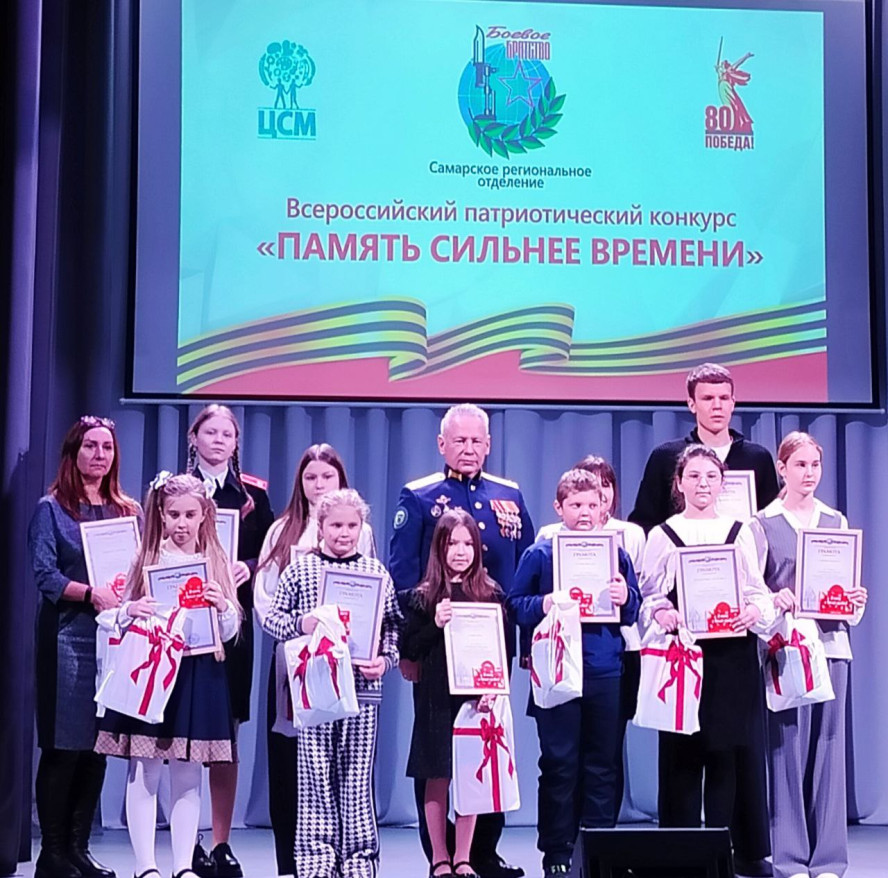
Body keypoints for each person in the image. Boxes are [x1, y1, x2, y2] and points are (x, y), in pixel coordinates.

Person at [629, 363, 778, 877]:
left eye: (711, 477)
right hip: (682, 657)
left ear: (724, 483)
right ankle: (679, 859)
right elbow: (647, 594)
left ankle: (721, 857)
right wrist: (661, 609)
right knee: (681, 757)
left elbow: (757, 592)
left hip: (731, 655)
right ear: (678, 482)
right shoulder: (662, 535)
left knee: (726, 756)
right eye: (693, 476)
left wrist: (755, 611)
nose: (702, 484)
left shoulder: (742, 531)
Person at [390, 403, 533, 878]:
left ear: (488, 445)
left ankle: (482, 851)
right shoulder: (420, 496)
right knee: (435, 753)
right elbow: (403, 578)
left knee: (487, 747)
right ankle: (439, 854)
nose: (469, 448)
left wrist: (524, 644)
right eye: (460, 440)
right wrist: (408, 648)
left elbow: (526, 572)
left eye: (476, 441)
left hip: (492, 648)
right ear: (442, 444)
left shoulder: (509, 495)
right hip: (434, 648)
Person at [95, 473, 241, 878]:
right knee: (145, 768)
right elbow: (111, 615)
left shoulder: (215, 562)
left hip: (197, 671)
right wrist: (131, 610)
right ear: (161, 513)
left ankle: (182, 865)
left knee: (188, 770)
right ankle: (146, 866)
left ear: (204, 515)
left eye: (190, 515)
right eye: (174, 514)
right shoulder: (146, 559)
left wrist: (222, 607)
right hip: (153, 673)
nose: (182, 523)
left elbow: (229, 631)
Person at [263, 489, 401, 878]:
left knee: (356, 777)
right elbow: (272, 619)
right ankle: (316, 860)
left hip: (362, 690)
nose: (344, 533)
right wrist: (301, 624)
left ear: (362, 528)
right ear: (320, 526)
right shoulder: (300, 570)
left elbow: (393, 625)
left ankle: (359, 859)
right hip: (316, 688)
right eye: (336, 525)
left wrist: (386, 660)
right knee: (314, 776)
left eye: (351, 525)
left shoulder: (376, 573)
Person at [253, 444, 376, 878]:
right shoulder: (281, 531)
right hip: (296, 663)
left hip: (347, 665)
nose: (319, 484)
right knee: (293, 762)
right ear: (300, 482)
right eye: (311, 477)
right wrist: (299, 628)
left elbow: (371, 599)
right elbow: (265, 599)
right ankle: (294, 861)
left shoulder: (362, 532)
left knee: (345, 768)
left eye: (327, 476)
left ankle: (345, 858)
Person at [510, 469, 640, 877]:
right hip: (556, 671)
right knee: (559, 764)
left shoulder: (617, 555)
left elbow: (633, 611)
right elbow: (515, 605)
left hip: (605, 670)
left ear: (604, 508)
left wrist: (625, 596)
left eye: (592, 505)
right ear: (559, 508)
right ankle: (557, 851)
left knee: (603, 765)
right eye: (575, 505)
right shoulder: (540, 554)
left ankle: (599, 848)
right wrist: (543, 604)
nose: (585, 512)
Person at [749, 432, 867, 878]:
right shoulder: (762, 523)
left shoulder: (835, 520)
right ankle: (791, 860)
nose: (809, 473)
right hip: (786, 651)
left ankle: (830, 860)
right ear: (781, 469)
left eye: (815, 465)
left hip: (832, 645)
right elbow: (753, 589)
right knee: (787, 751)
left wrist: (854, 599)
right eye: (799, 465)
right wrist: (773, 600)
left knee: (829, 748)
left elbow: (846, 591)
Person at [28, 416, 141, 878]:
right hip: (67, 637)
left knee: (97, 748)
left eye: (107, 447)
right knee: (64, 747)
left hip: (116, 640)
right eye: (91, 446)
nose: (100, 455)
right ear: (73, 453)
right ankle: (52, 853)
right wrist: (91, 593)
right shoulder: (51, 509)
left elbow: (140, 571)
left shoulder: (127, 511)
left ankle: (78, 849)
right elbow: (45, 575)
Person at [186, 404, 274, 878]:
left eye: (227, 434)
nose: (219, 440)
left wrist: (249, 567)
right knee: (182, 734)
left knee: (228, 733)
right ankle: (187, 842)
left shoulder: (253, 494)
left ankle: (221, 843)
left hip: (232, 625)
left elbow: (273, 554)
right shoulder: (171, 489)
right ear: (194, 437)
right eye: (211, 432)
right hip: (181, 624)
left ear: (236, 443)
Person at [402, 510, 506, 878]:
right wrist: (435, 623)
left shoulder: (490, 594)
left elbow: (501, 649)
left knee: (468, 778)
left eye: (467, 544)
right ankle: (439, 857)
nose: (460, 551)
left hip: (474, 700)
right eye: (452, 544)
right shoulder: (422, 597)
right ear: (439, 548)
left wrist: (493, 689)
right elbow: (408, 648)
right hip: (434, 697)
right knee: (437, 775)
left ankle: (463, 857)